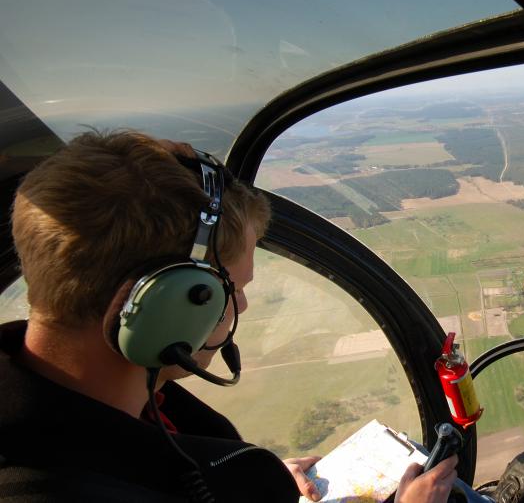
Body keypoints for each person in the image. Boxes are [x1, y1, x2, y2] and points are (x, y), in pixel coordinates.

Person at [0, 130, 458, 502]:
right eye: (229, 289)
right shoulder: (52, 489)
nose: (240, 306)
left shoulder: (108, 407)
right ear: (161, 304)